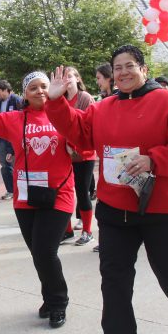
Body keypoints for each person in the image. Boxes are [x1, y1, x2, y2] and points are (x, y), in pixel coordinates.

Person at [43, 45, 168, 334]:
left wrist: (153, 159)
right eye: (118, 68)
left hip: (165, 206)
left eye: (129, 66)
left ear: (143, 69)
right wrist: (57, 101)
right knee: (113, 277)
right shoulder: (103, 108)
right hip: (116, 207)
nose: (123, 73)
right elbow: (80, 134)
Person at [0, 71, 75, 329]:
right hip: (26, 196)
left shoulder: (65, 114)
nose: (40, 91)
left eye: (44, 86)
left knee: (46, 252)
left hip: (59, 194)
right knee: (38, 254)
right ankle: (49, 297)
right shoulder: (15, 119)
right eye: (33, 87)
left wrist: (78, 149)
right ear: (24, 93)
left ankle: (58, 303)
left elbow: (85, 142)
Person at [62, 66, 96, 246]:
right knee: (64, 192)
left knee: (82, 192)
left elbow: (88, 125)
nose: (67, 80)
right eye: (64, 77)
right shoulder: (59, 99)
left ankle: (87, 231)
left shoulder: (85, 98)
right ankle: (66, 231)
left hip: (83, 154)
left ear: (77, 78)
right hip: (63, 155)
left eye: (70, 76)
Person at [0, 80, 23, 200]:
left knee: (15, 164)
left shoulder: (16, 100)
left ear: (5, 89)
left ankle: (20, 189)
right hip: (2, 138)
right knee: (4, 165)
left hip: (14, 137)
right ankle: (10, 190)